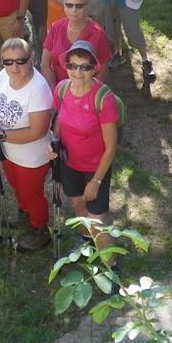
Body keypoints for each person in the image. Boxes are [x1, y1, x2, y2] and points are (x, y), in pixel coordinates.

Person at [0, 38, 52, 252]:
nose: (14, 67)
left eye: (20, 61)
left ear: (32, 59)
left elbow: (37, 131)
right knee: (16, 186)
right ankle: (25, 214)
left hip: (32, 157)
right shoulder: (3, 76)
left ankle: (40, 229)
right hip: (9, 151)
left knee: (33, 193)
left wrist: (0, 135)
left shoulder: (38, 89)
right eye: (8, 62)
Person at [51, 40, 119, 255]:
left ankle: (111, 269)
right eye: (72, 65)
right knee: (79, 207)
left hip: (95, 167)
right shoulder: (61, 89)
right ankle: (86, 240)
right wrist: (53, 142)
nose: (77, 72)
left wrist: (96, 182)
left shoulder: (103, 98)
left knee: (97, 221)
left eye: (84, 67)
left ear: (94, 68)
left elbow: (111, 147)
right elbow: (59, 120)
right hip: (69, 163)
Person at [41, 0, 112, 88]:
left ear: (87, 7)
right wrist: (54, 92)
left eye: (79, 6)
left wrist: (87, 94)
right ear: (64, 7)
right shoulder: (56, 27)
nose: (73, 10)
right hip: (56, 88)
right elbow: (45, 63)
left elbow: (103, 69)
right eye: (69, 5)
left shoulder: (98, 33)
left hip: (85, 90)